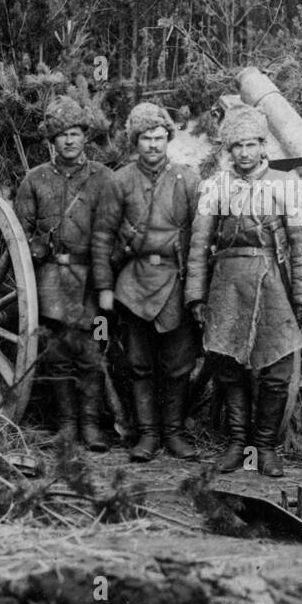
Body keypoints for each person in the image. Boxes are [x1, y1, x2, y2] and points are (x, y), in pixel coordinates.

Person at [185, 105, 302, 478]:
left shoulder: (287, 184)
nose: (244, 153)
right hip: (227, 284)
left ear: (264, 146)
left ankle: (266, 447)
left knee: (276, 372)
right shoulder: (214, 186)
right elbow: (198, 246)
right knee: (230, 369)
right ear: (228, 150)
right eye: (237, 146)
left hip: (273, 283)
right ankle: (236, 444)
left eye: (251, 145)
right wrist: (195, 296)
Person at [92, 102, 202, 462]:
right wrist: (106, 289)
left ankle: (174, 434)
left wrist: (199, 290)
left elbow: (202, 238)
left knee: (178, 364)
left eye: (159, 137)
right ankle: (147, 436)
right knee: (138, 364)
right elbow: (103, 237)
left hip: (176, 281)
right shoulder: (119, 180)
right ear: (134, 140)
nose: (153, 145)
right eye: (145, 138)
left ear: (168, 138)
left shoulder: (189, 178)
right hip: (134, 283)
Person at [14, 95, 112, 450]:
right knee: (54, 353)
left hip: (90, 277)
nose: (69, 141)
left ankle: (91, 426)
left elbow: (114, 230)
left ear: (86, 136)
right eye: (61, 135)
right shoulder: (35, 180)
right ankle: (67, 427)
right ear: (51, 141)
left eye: (75, 133)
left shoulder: (104, 179)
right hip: (50, 277)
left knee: (89, 352)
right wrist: (38, 243)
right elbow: (19, 233)